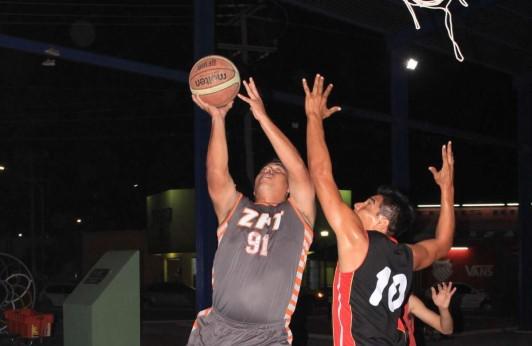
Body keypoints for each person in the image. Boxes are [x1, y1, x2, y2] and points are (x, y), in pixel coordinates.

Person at [303, 73, 455, 346]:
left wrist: (314, 117)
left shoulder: (358, 242)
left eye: (368, 204)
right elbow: (443, 244)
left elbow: (321, 175)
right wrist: (447, 190)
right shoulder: (407, 255)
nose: (358, 204)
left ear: (383, 222)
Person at [187, 77, 315, 346]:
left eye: (277, 170)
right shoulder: (235, 207)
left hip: (267, 336)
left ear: (289, 188)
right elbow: (216, 173)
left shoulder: (298, 215)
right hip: (216, 330)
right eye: (264, 169)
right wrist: (218, 117)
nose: (268, 169)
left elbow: (300, 170)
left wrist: (262, 117)